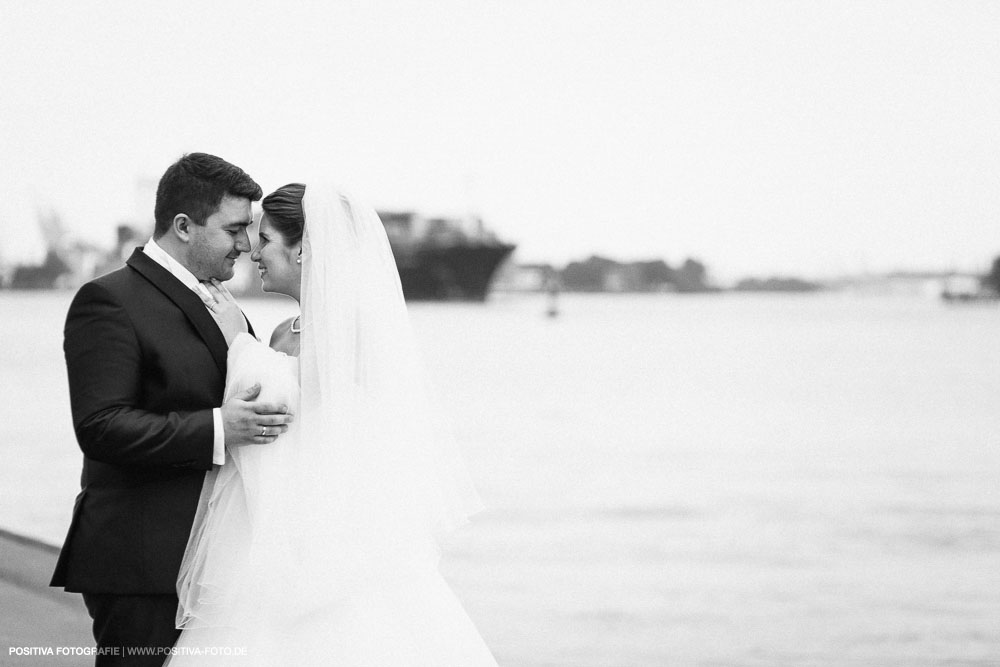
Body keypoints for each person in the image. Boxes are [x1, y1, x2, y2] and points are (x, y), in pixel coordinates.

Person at [167, 183, 498, 665]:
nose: (253, 251)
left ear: (303, 249)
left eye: (266, 238)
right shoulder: (284, 331)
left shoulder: (357, 332)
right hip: (272, 527)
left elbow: (281, 412)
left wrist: (238, 342)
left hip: (329, 535)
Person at [51, 153, 295, 666]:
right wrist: (217, 428)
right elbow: (101, 426)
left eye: (250, 231)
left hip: (214, 562)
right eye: (233, 230)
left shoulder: (224, 305)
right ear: (183, 226)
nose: (246, 245)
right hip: (143, 566)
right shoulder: (109, 301)